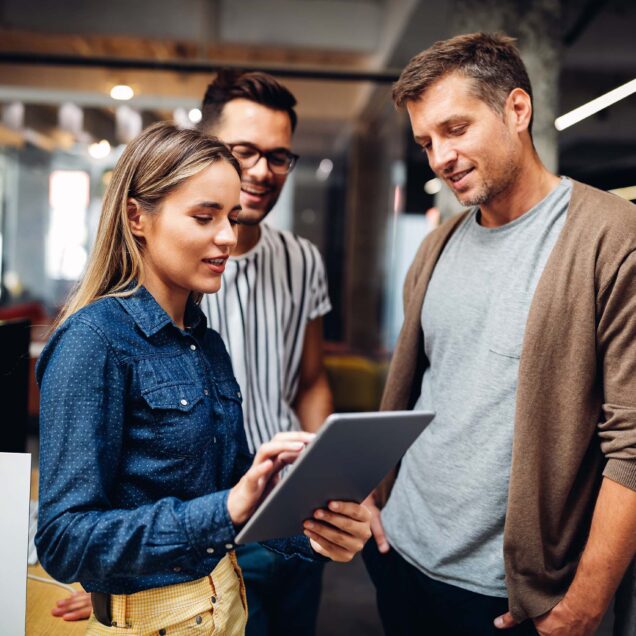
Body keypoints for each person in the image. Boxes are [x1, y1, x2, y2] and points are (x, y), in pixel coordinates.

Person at [35, 121, 371, 635]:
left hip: (226, 609)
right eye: (204, 216)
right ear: (136, 218)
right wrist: (223, 510)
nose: (227, 238)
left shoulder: (204, 342)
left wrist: (316, 534)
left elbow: (237, 492)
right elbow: (63, 540)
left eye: (232, 217)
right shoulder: (93, 340)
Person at [362, 32, 636, 636]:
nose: (439, 157)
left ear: (517, 110)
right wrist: (375, 497)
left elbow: (632, 445)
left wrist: (586, 601)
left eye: (455, 130)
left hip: (507, 597)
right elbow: (416, 392)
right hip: (399, 554)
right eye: (426, 142)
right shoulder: (437, 246)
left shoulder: (614, 238)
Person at [196, 70, 333, 636]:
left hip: (292, 516)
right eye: (244, 151)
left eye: (278, 156)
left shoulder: (302, 259)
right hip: (203, 521)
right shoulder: (169, 259)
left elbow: (311, 380)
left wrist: (325, 476)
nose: (260, 171)